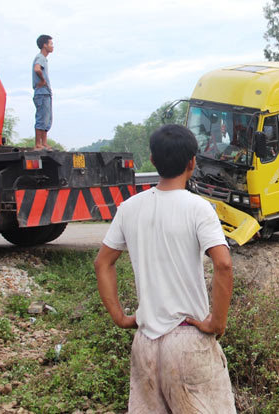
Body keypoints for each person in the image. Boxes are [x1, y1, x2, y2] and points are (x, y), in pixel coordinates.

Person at [94, 124, 236, 413]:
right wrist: (216, 322)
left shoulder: (129, 208)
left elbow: (102, 263)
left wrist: (121, 317)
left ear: (153, 160)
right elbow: (223, 264)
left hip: (146, 343)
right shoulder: (199, 208)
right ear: (192, 163)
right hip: (188, 341)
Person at [32, 34, 53, 150]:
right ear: (44, 45)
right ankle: (38, 144)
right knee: (41, 118)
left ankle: (44, 143)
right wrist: (43, 80)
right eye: (50, 44)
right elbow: (37, 69)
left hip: (46, 92)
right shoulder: (40, 57)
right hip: (42, 92)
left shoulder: (44, 59)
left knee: (47, 119)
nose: (52, 46)